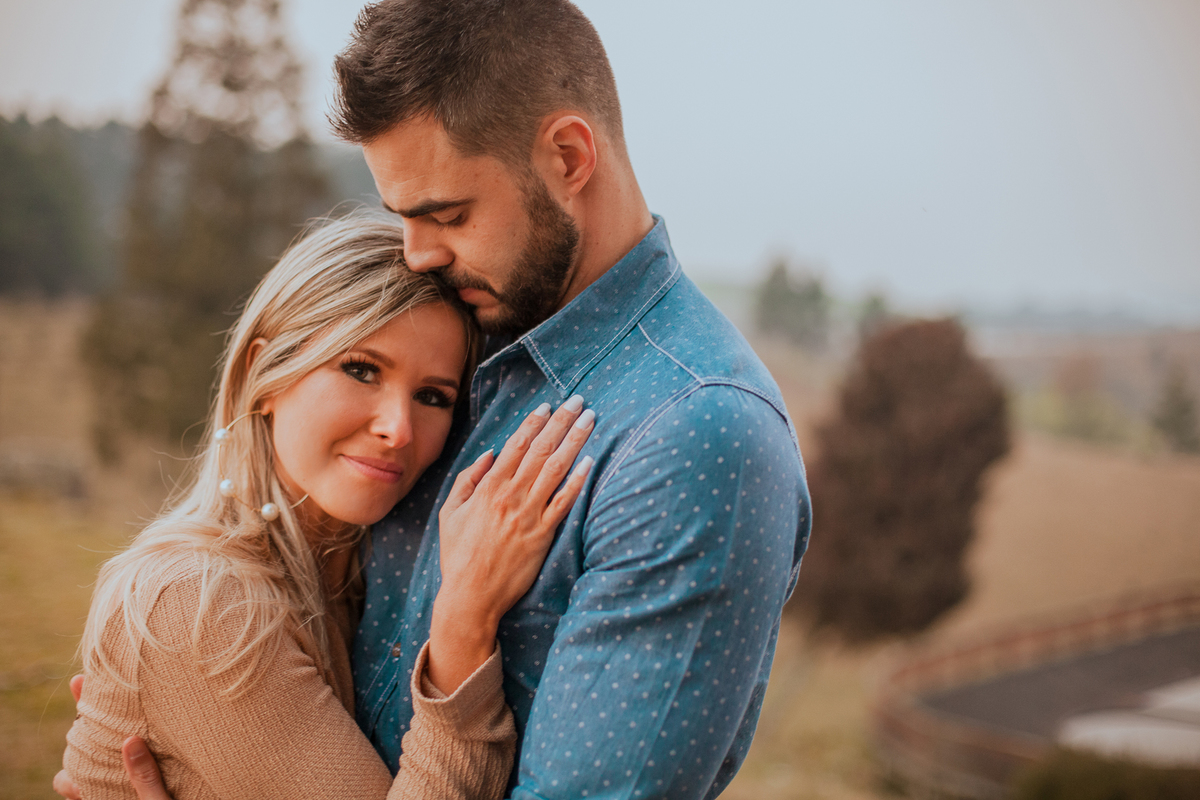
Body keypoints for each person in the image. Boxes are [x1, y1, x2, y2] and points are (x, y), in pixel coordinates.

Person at [60, 1, 812, 797]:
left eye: (446, 214)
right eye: (402, 217)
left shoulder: (698, 437)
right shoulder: (467, 325)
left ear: (567, 156)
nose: (416, 254)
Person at [58, 212, 596, 800]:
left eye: (432, 396)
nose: (398, 428)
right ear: (263, 373)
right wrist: (465, 623)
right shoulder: (197, 601)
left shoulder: (357, 587)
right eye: (361, 370)